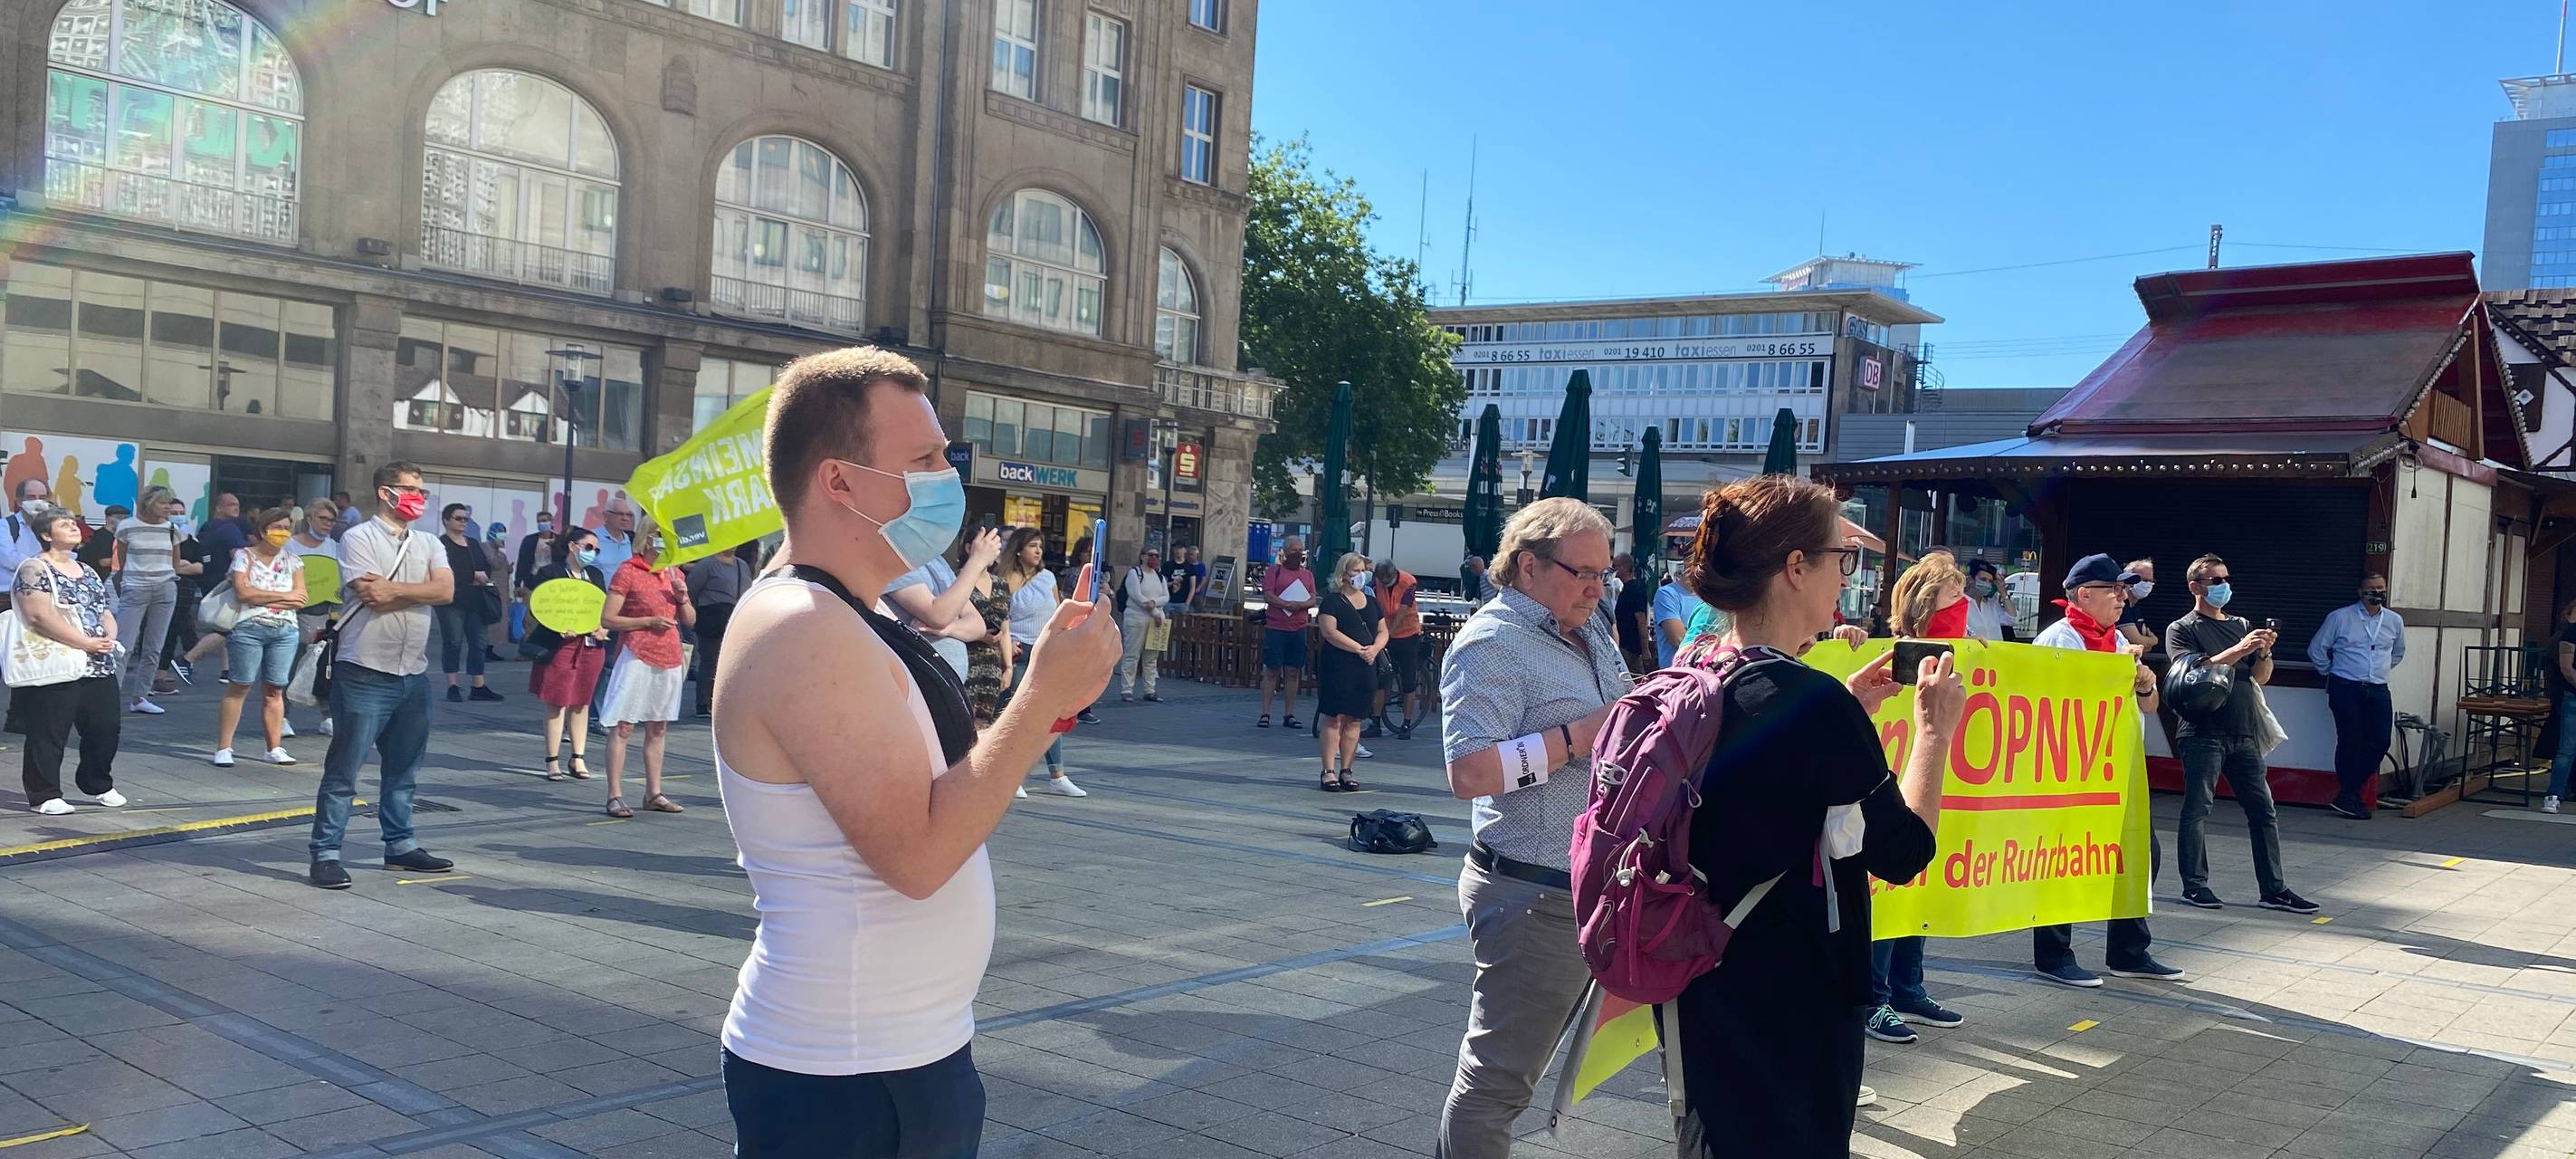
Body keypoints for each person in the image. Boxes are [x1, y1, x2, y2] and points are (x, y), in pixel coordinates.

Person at [711, 347, 1121, 1158]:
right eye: (926, 459)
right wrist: (1042, 698)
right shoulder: (800, 625)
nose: (949, 477)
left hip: (897, 1057)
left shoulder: (847, 615)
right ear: (839, 482)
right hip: (847, 1077)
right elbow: (919, 854)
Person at [1669, 474, 1961, 1155]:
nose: (1847, 576)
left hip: (1698, 974)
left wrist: (1844, 710)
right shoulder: (1813, 702)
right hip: (1794, 993)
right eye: (1842, 558)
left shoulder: (1697, 672)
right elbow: (1904, 851)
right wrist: (1935, 732)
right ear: (1795, 568)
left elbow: (1763, 777)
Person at [1434, 498, 1627, 1158]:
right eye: (1583, 573)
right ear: (1527, 566)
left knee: (1507, 1079)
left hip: (1576, 886)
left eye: (1605, 574)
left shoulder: (1587, 627)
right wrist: (1580, 736)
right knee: (1497, 1088)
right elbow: (1472, 773)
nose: (1597, 588)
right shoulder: (1491, 644)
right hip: (1531, 893)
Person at [2030, 553, 2186, 987]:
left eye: (2123, 590)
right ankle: (2054, 956)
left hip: (2120, 767)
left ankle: (2128, 952)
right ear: (2084, 594)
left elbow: (2150, 707)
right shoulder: (2058, 639)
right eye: (2114, 590)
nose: (2123, 597)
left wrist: (2145, 683)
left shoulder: (2117, 641)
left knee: (2139, 854)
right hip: (2071, 771)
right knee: (2063, 862)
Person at [311, 462, 456, 890]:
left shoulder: (429, 541)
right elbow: (371, 595)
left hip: (412, 671)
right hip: (364, 670)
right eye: (412, 489)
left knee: (404, 768)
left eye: (423, 492)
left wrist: (397, 591)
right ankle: (325, 853)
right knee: (344, 769)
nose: (420, 498)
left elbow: (446, 592)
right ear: (385, 492)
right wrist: (417, 592)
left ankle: (400, 846)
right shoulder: (358, 537)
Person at [2164, 555, 2317, 915]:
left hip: (2243, 730)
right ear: (2195, 587)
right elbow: (2193, 669)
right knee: (2198, 808)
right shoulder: (2182, 627)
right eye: (2214, 580)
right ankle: (2195, 885)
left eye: (2225, 578)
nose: (2222, 585)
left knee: (2263, 810)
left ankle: (2274, 889)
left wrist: (2263, 651)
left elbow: (2260, 677)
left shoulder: (2240, 624)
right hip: (2202, 730)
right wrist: (2241, 648)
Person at [1862, 551, 1971, 1047]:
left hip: (1939, 789)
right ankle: (1876, 996)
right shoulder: (1886, 652)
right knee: (1891, 889)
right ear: (1927, 601)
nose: (1964, 601)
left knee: (1919, 893)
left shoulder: (1967, 652)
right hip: (1891, 784)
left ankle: (1909, 986)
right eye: (1954, 593)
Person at [13, 508, 127, 816]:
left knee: (105, 727)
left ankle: (97, 782)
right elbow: (38, 616)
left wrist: (107, 637)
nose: (74, 528)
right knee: (49, 730)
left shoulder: (87, 570)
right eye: (64, 525)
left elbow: (103, 609)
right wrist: (84, 642)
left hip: (97, 661)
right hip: (56, 660)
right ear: (47, 535)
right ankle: (44, 793)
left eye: (74, 523)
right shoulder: (34, 569)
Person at [597, 520, 692, 819]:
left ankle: (654, 792)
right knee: (624, 726)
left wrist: (683, 597)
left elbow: (690, 620)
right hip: (637, 653)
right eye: (662, 536)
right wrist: (647, 621)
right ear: (648, 539)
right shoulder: (629, 570)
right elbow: (609, 619)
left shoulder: (673, 572)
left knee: (658, 726)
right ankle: (614, 795)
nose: (668, 542)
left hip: (669, 655)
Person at [210, 508, 306, 768]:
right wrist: (283, 596)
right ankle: (224, 747)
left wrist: (261, 594)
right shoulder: (244, 556)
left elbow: (301, 597)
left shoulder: (294, 561)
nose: (282, 533)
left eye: (287, 528)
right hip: (248, 628)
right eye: (277, 528)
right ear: (263, 531)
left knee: (275, 689)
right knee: (239, 686)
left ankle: (274, 747)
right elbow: (243, 593)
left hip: (285, 630)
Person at [2309, 574, 2405, 821]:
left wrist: (2378, 671)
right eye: (2371, 589)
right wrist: (2330, 672)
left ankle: (2347, 794)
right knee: (2350, 741)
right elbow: (2317, 649)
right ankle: (2350, 798)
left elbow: (2398, 653)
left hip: (2379, 688)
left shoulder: (2394, 621)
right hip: (2346, 687)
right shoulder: (2340, 617)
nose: (2376, 592)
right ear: (2359, 591)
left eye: (2380, 588)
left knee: (2381, 741)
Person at [997, 527, 1084, 797]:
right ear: (1019, 549)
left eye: (1040, 546)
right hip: (1019, 651)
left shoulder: (1047, 578)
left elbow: (1058, 613)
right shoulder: (1005, 578)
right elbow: (999, 615)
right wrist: (1007, 644)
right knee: (1017, 716)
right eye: (1032, 545)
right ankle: (1012, 775)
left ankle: (1058, 775)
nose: (1038, 551)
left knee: (1050, 713)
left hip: (1046, 650)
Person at [527, 530, 609, 782]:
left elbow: (602, 607)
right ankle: (552, 760)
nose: (592, 553)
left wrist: (602, 627)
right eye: (588, 547)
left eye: (596, 549)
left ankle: (578, 757)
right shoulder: (550, 573)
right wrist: (557, 627)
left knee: (582, 702)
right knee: (557, 701)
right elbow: (540, 609)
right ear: (573, 546)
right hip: (560, 646)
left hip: (590, 646)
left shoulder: (594, 575)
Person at [112, 486, 199, 715]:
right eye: (163, 503)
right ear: (149, 504)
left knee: (154, 646)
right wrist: (125, 582)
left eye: (169, 503)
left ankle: (140, 697)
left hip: (165, 588)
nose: (168, 508)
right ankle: (109, 698)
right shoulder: (127, 527)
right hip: (135, 588)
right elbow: (121, 560)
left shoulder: (171, 529)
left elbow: (175, 562)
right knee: (124, 645)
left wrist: (172, 579)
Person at [884, 528, 1003, 684]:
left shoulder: (936, 560)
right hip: (917, 680)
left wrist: (949, 629)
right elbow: (938, 615)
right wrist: (977, 561)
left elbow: (978, 625)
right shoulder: (893, 555)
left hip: (949, 685)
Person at [1313, 553, 1387, 792]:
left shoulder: (1372, 602)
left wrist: (1374, 649)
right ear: (1344, 574)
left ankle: (1347, 769)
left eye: (1363, 570)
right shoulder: (1332, 601)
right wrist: (1359, 649)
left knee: (1355, 718)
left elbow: (1383, 630)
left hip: (1365, 666)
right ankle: (1328, 770)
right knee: (1334, 717)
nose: (1362, 575)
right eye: (1356, 570)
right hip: (1338, 664)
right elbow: (1329, 631)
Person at [434, 503, 501, 704]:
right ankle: (452, 685)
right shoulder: (440, 544)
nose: (463, 522)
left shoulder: (472, 543)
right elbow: (444, 572)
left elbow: (485, 567)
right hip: (451, 601)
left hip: (476, 600)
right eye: (458, 518)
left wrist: (478, 576)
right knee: (453, 642)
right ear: (446, 520)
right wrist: (472, 576)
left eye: (465, 519)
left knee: (479, 644)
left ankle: (478, 685)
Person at [287, 501, 341, 738]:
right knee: (288, 667)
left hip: (326, 616)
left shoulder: (336, 548)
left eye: (331, 520)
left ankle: (328, 715)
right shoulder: (289, 546)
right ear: (309, 518)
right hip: (293, 613)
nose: (327, 524)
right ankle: (281, 717)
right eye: (323, 519)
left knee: (325, 667)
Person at [687, 542, 758, 718]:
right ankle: (703, 703)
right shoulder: (707, 564)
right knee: (709, 660)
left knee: (729, 663)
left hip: (733, 618)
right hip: (711, 619)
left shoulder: (741, 565)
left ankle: (720, 702)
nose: (732, 546)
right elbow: (692, 590)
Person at [1256, 538, 1317, 730]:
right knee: (1272, 669)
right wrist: (1285, 604)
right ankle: (1265, 712)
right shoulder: (1274, 571)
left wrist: (1299, 605)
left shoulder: (1307, 575)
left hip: (1298, 628)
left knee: (1293, 671)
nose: (1297, 554)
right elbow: (1268, 594)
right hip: (1276, 627)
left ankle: (1289, 713)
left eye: (1300, 550)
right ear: (1284, 552)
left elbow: (1312, 598)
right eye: (1293, 550)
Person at [1367, 560, 1427, 740]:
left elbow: (1401, 612)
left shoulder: (1408, 582)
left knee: (1408, 681)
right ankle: (1375, 723)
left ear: (1394, 575)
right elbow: (1371, 603)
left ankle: (1406, 724)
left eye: (1387, 581)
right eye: (1381, 581)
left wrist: (1387, 635)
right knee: (1379, 679)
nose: (1384, 584)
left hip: (1407, 634)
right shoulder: (1375, 582)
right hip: (1384, 632)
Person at [1118, 547, 1170, 704]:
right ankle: (1127, 690)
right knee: (1132, 655)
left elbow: (1166, 596)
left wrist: (1154, 604)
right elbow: (1136, 595)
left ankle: (1150, 690)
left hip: (1156, 620)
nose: (1154, 558)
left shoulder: (1160, 576)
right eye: (1150, 555)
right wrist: (1154, 609)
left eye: (1156, 555)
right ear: (1142, 557)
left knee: (1151, 657)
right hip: (1137, 617)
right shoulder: (1135, 573)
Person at [1062, 531, 1103, 726]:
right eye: (1086, 552)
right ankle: (1075, 707)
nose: (1089, 555)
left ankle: (1084, 707)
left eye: (1091, 551)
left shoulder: (1099, 573)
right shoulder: (1073, 573)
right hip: (1076, 621)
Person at [2545, 598, 2576, 814]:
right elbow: (2567, 668)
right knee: (2566, 750)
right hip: (2573, 696)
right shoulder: (2570, 633)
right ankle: (2553, 795)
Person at [1651, 560, 1707, 668]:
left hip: (1710, 676)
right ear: (1689, 562)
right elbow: (1679, 639)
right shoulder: (1667, 594)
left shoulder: (1712, 599)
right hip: (1676, 677)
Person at [1613, 553, 1655, 673]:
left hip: (1630, 648)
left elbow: (1641, 620)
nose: (1613, 569)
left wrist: (1645, 649)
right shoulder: (1628, 588)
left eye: (1615, 566)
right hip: (1625, 644)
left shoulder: (1633, 589)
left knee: (1632, 678)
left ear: (1625, 567)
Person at [1962, 558, 2015, 642]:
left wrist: (2003, 593)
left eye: (1990, 581)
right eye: (1983, 579)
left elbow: (2012, 619)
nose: (1987, 583)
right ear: (1971, 579)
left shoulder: (1992, 605)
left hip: (1995, 653)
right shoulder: (1959, 604)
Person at [482, 522, 513, 658]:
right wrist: (500, 550)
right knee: (491, 621)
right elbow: (494, 563)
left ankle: (491, 649)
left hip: (502, 590)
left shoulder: (501, 552)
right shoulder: (486, 546)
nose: (502, 536)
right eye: (500, 532)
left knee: (500, 622)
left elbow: (505, 568)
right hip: (491, 590)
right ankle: (485, 649)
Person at [2115, 558, 2159, 648]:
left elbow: (2144, 648)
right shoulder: (2120, 605)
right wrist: (2154, 640)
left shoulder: (2136, 607)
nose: (2148, 584)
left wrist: (2146, 642)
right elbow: (2138, 641)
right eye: (2143, 580)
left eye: (2151, 581)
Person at [516, 511, 557, 599]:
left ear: (551, 522)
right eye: (539, 521)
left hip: (553, 581)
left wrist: (556, 546)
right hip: (533, 580)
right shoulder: (529, 540)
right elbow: (522, 562)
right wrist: (518, 583)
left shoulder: (558, 540)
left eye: (544, 521)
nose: (541, 523)